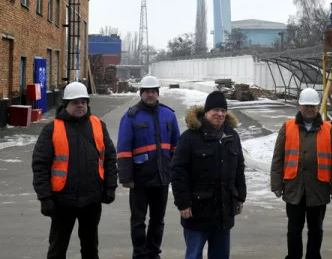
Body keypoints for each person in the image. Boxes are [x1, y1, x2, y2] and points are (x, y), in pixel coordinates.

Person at [32, 81, 118, 259]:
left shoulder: (98, 125)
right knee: (57, 249)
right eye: (75, 102)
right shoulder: (52, 129)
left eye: (83, 102)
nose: (80, 105)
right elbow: (40, 165)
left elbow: (109, 158)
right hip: (62, 201)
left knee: (90, 248)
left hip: (92, 199)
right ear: (66, 104)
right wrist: (45, 197)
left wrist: (110, 187)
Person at [171, 91, 246, 259]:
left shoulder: (232, 136)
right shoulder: (190, 137)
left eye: (223, 110)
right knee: (194, 255)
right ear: (206, 112)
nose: (220, 114)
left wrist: (240, 197)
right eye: (215, 110)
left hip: (224, 212)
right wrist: (183, 203)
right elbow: (177, 171)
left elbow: (239, 169)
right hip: (197, 211)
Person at [270, 87, 332, 259]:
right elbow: (278, 158)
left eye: (313, 106)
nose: (310, 109)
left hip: (318, 188)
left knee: (316, 229)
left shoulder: (328, 129)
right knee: (293, 229)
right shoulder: (287, 127)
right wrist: (276, 184)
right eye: (306, 106)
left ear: (317, 107)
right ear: (300, 106)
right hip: (294, 187)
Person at [117, 75, 180, 259]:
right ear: (141, 93)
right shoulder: (131, 117)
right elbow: (123, 149)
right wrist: (126, 177)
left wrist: (175, 172)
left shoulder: (169, 115)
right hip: (139, 180)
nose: (150, 95)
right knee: (138, 221)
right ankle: (139, 254)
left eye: (153, 92)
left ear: (158, 93)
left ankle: (153, 253)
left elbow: (176, 147)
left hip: (162, 178)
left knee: (158, 220)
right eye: (147, 92)